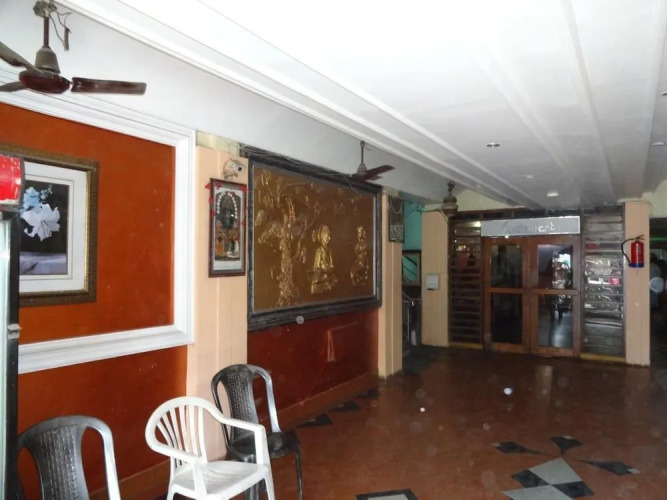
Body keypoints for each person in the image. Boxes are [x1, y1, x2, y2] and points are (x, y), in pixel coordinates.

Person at [311, 225, 337, 294]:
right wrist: (323, 268)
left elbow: (332, 265)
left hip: (328, 273)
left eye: (330, 236)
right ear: (322, 236)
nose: (329, 238)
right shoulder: (319, 251)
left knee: (334, 280)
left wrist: (329, 269)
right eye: (328, 236)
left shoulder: (329, 250)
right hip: (321, 275)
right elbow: (316, 267)